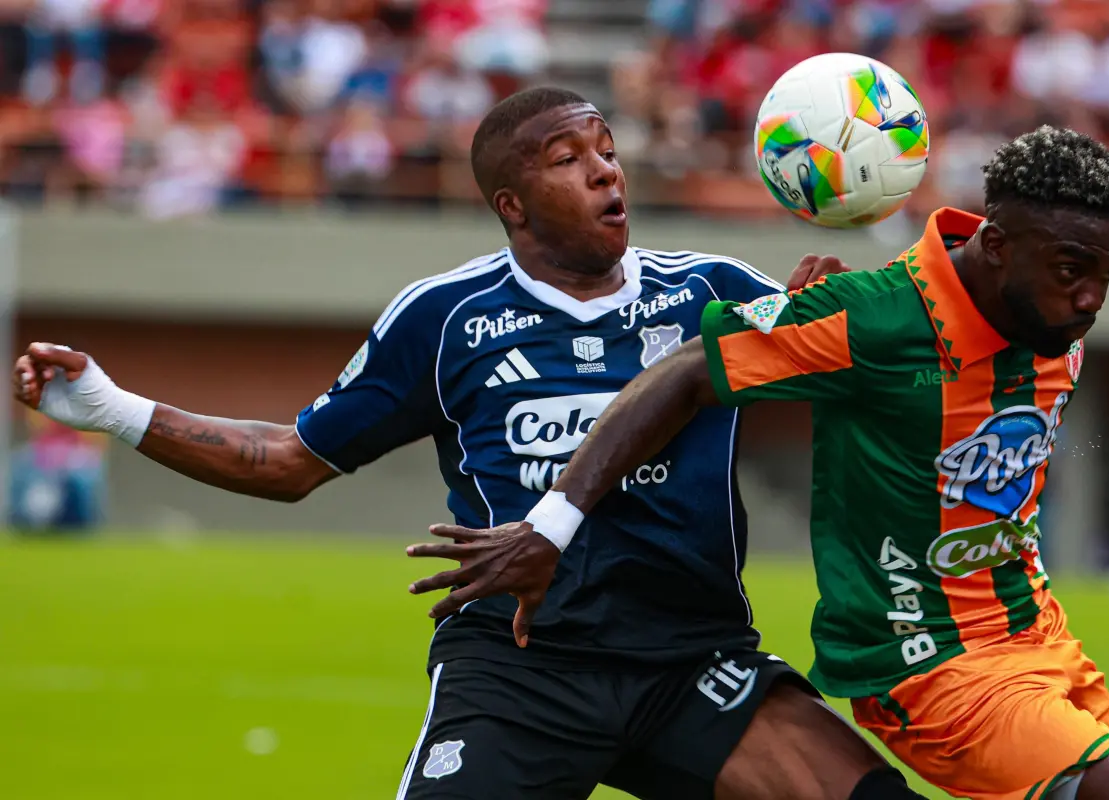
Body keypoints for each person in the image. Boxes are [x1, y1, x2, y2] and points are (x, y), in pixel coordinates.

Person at [11, 87, 928, 800]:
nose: (607, 172)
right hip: (521, 663)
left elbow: (857, 396)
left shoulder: (710, 289)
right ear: (513, 203)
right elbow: (288, 462)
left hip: (690, 657)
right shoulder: (444, 318)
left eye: (608, 151)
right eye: (570, 160)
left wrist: (824, 336)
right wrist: (111, 406)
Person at [407, 126, 1109, 800]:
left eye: (1108, 275)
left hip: (1039, 640)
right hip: (936, 671)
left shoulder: (1047, 316)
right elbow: (687, 371)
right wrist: (552, 525)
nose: (1093, 299)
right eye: (1073, 271)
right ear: (996, 247)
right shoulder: (875, 319)